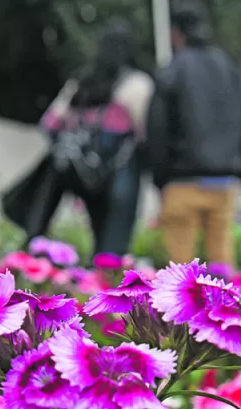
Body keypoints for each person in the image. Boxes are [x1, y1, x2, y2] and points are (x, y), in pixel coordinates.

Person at [22, 21, 153, 258]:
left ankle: (31, 247)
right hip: (116, 173)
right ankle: (107, 271)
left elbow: (49, 123)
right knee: (111, 244)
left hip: (76, 172)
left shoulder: (81, 80)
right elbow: (145, 133)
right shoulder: (137, 84)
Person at [147, 3, 241, 266]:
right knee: (223, 267)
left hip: (182, 179)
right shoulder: (232, 69)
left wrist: (160, 178)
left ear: (175, 32)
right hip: (224, 180)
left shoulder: (173, 70)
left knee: (179, 274)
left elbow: (157, 128)